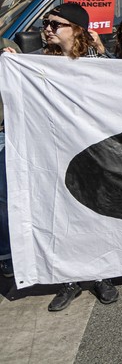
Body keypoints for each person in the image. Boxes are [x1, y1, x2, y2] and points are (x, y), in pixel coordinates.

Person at [39, 3, 120, 310]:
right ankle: (69, 280)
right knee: (61, 216)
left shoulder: (97, 62)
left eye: (55, 24)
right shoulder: (37, 64)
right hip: (53, 151)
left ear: (76, 30)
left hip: (92, 152)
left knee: (95, 212)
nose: (48, 28)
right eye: (47, 23)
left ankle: (102, 275)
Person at [0, 37, 22, 279]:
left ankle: (7, 256)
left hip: (4, 133)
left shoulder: (6, 43)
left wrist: (14, 62)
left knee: (3, 198)